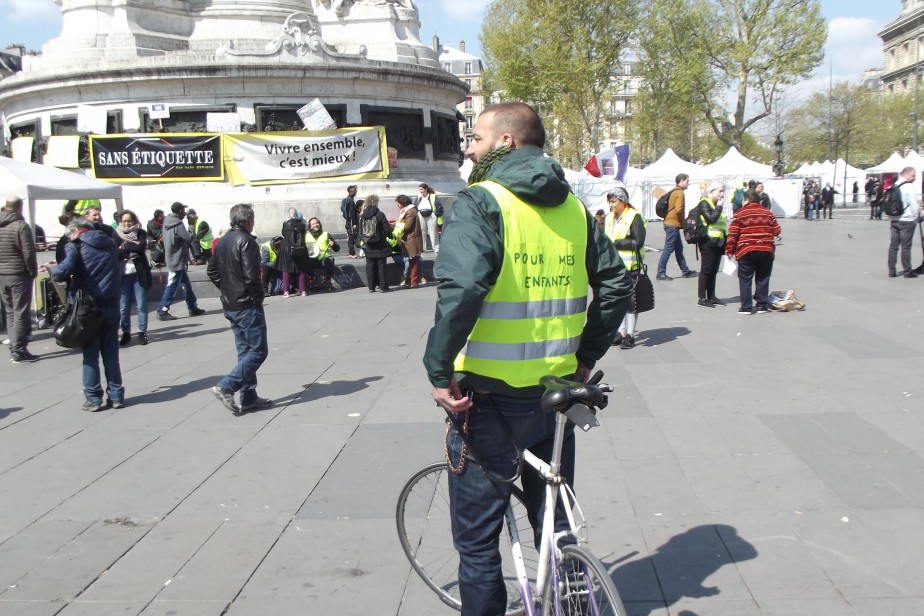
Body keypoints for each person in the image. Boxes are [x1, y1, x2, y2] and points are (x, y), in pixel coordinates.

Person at [423, 102, 631, 616]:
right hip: (556, 390)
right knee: (555, 525)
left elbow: (464, 286)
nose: (468, 147)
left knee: (476, 543)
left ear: (505, 143)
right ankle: (570, 594)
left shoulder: (481, 201)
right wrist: (586, 355)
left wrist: (439, 367)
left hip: (489, 396)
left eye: (475, 137)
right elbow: (615, 281)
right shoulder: (575, 209)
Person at [52, 217, 124, 411]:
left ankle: (93, 398)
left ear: (76, 231)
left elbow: (61, 272)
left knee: (90, 354)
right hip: (111, 303)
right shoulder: (109, 242)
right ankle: (116, 396)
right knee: (111, 353)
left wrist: (54, 270)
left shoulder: (75, 246)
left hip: (88, 307)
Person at [207, 204, 272, 415]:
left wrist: (227, 288)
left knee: (245, 352)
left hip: (231, 303)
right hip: (246, 303)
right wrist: (258, 296)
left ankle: (249, 396)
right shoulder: (246, 241)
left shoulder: (223, 241)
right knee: (258, 351)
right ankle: (227, 386)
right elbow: (252, 276)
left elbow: (212, 271)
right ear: (249, 220)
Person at [725, 190, 781, 314]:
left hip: (746, 250)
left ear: (746, 200)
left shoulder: (740, 213)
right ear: (759, 200)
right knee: (763, 277)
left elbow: (733, 234)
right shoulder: (768, 213)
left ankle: (746, 307)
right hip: (766, 250)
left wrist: (729, 250)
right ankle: (762, 305)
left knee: (745, 279)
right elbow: (777, 230)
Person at [603, 187, 646, 349]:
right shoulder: (609, 218)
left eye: (614, 200)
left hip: (630, 266)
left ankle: (630, 334)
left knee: (631, 302)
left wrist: (617, 244)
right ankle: (620, 333)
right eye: (609, 200)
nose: (611, 204)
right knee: (618, 301)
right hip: (613, 267)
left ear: (623, 201)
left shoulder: (634, 217)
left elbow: (638, 241)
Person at [0, 196, 39, 363]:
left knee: (9, 311)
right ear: (19, 208)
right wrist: (32, 271)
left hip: (2, 274)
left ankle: (14, 344)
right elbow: (28, 253)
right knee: (20, 311)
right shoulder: (21, 226)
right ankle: (19, 348)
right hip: (19, 273)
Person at [156, 202, 206, 320]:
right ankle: (162, 310)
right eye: (183, 211)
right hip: (176, 260)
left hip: (173, 258)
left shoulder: (168, 221)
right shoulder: (177, 224)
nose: (185, 213)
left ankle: (192, 306)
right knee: (172, 285)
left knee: (186, 285)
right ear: (179, 211)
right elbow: (189, 238)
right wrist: (191, 226)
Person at [115, 209, 152, 346]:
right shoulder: (116, 234)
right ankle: (126, 332)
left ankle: (142, 332)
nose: (126, 223)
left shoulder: (140, 233)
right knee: (124, 307)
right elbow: (115, 252)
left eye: (129, 220)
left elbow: (140, 248)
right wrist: (125, 250)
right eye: (124, 221)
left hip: (138, 273)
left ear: (134, 221)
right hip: (122, 275)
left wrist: (123, 247)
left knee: (141, 304)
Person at [657, 173, 696, 280]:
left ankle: (685, 270)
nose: (688, 183)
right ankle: (660, 272)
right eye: (687, 181)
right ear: (682, 180)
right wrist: (684, 223)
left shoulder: (673, 191)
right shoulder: (679, 193)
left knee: (679, 248)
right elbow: (679, 210)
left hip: (670, 222)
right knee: (669, 248)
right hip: (672, 224)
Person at [696, 182, 728, 308]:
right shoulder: (704, 203)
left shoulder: (715, 204)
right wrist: (719, 206)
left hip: (718, 241)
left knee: (714, 270)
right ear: (712, 192)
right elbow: (711, 219)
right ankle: (702, 298)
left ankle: (712, 296)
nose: (722, 194)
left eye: (723, 191)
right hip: (707, 241)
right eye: (720, 191)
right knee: (706, 269)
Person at [888, 166, 923, 278]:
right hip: (907, 220)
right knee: (906, 246)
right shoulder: (909, 187)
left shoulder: (893, 185)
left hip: (894, 219)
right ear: (906, 174)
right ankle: (907, 271)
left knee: (893, 246)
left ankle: (892, 270)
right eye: (913, 175)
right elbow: (913, 204)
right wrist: (916, 217)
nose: (914, 178)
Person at [358, 194, 393, 292]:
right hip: (380, 243)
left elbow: (360, 231)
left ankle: (371, 287)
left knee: (370, 266)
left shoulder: (362, 216)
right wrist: (390, 236)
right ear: (375, 203)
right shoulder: (380, 214)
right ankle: (383, 287)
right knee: (381, 266)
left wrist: (364, 240)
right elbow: (387, 229)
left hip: (369, 244)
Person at [277, 208, 310, 297]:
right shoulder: (302, 224)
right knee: (301, 270)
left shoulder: (286, 223)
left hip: (287, 248)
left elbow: (283, 234)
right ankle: (303, 290)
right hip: (300, 248)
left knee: (286, 270)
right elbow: (304, 234)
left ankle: (286, 291)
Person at [305, 216, 340, 290]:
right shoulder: (306, 236)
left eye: (317, 223)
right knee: (304, 262)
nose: (316, 225)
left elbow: (337, 249)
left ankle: (327, 280)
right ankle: (312, 279)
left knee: (330, 260)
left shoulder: (326, 234)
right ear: (310, 227)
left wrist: (333, 244)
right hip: (312, 260)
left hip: (324, 259)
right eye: (313, 224)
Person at [395, 194, 422, 288]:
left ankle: (413, 281)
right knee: (412, 261)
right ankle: (412, 280)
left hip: (411, 239)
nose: (397, 206)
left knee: (413, 261)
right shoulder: (408, 211)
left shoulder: (410, 211)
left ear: (403, 203)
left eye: (398, 204)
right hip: (409, 239)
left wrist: (396, 224)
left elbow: (407, 226)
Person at [415, 182, 442, 253]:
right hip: (421, 214)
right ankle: (423, 247)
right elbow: (415, 206)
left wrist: (436, 214)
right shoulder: (418, 197)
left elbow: (439, 206)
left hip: (431, 214)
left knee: (433, 231)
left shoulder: (433, 196)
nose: (420, 191)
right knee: (421, 231)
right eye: (420, 189)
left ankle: (436, 247)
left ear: (426, 189)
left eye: (422, 189)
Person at [341, 185, 360, 258]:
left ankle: (351, 252)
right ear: (351, 192)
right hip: (351, 221)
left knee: (350, 236)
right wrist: (354, 223)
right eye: (355, 191)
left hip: (348, 221)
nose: (355, 192)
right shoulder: (351, 201)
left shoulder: (346, 199)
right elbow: (352, 213)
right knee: (352, 236)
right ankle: (352, 253)